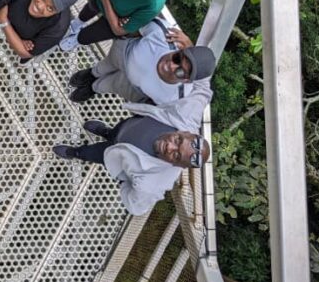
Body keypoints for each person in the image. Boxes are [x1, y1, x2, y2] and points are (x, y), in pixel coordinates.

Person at [53, 78, 212, 215]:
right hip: (127, 127)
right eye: (178, 140)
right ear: (185, 132)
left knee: (92, 153)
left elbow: (136, 207)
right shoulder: (188, 118)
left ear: (178, 166)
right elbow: (203, 88)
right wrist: (190, 50)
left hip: (115, 156)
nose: (170, 146)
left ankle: (76, 152)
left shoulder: (154, 183)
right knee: (116, 131)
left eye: (176, 155)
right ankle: (106, 131)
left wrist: (125, 182)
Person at [68, 21, 216, 104]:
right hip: (124, 55)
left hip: (133, 86)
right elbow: (139, 26)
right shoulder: (163, 34)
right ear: (181, 50)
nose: (171, 65)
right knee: (104, 65)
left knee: (109, 85)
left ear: (186, 80)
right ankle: (92, 73)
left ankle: (94, 88)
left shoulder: (178, 96)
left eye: (180, 71)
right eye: (177, 58)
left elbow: (203, 92)